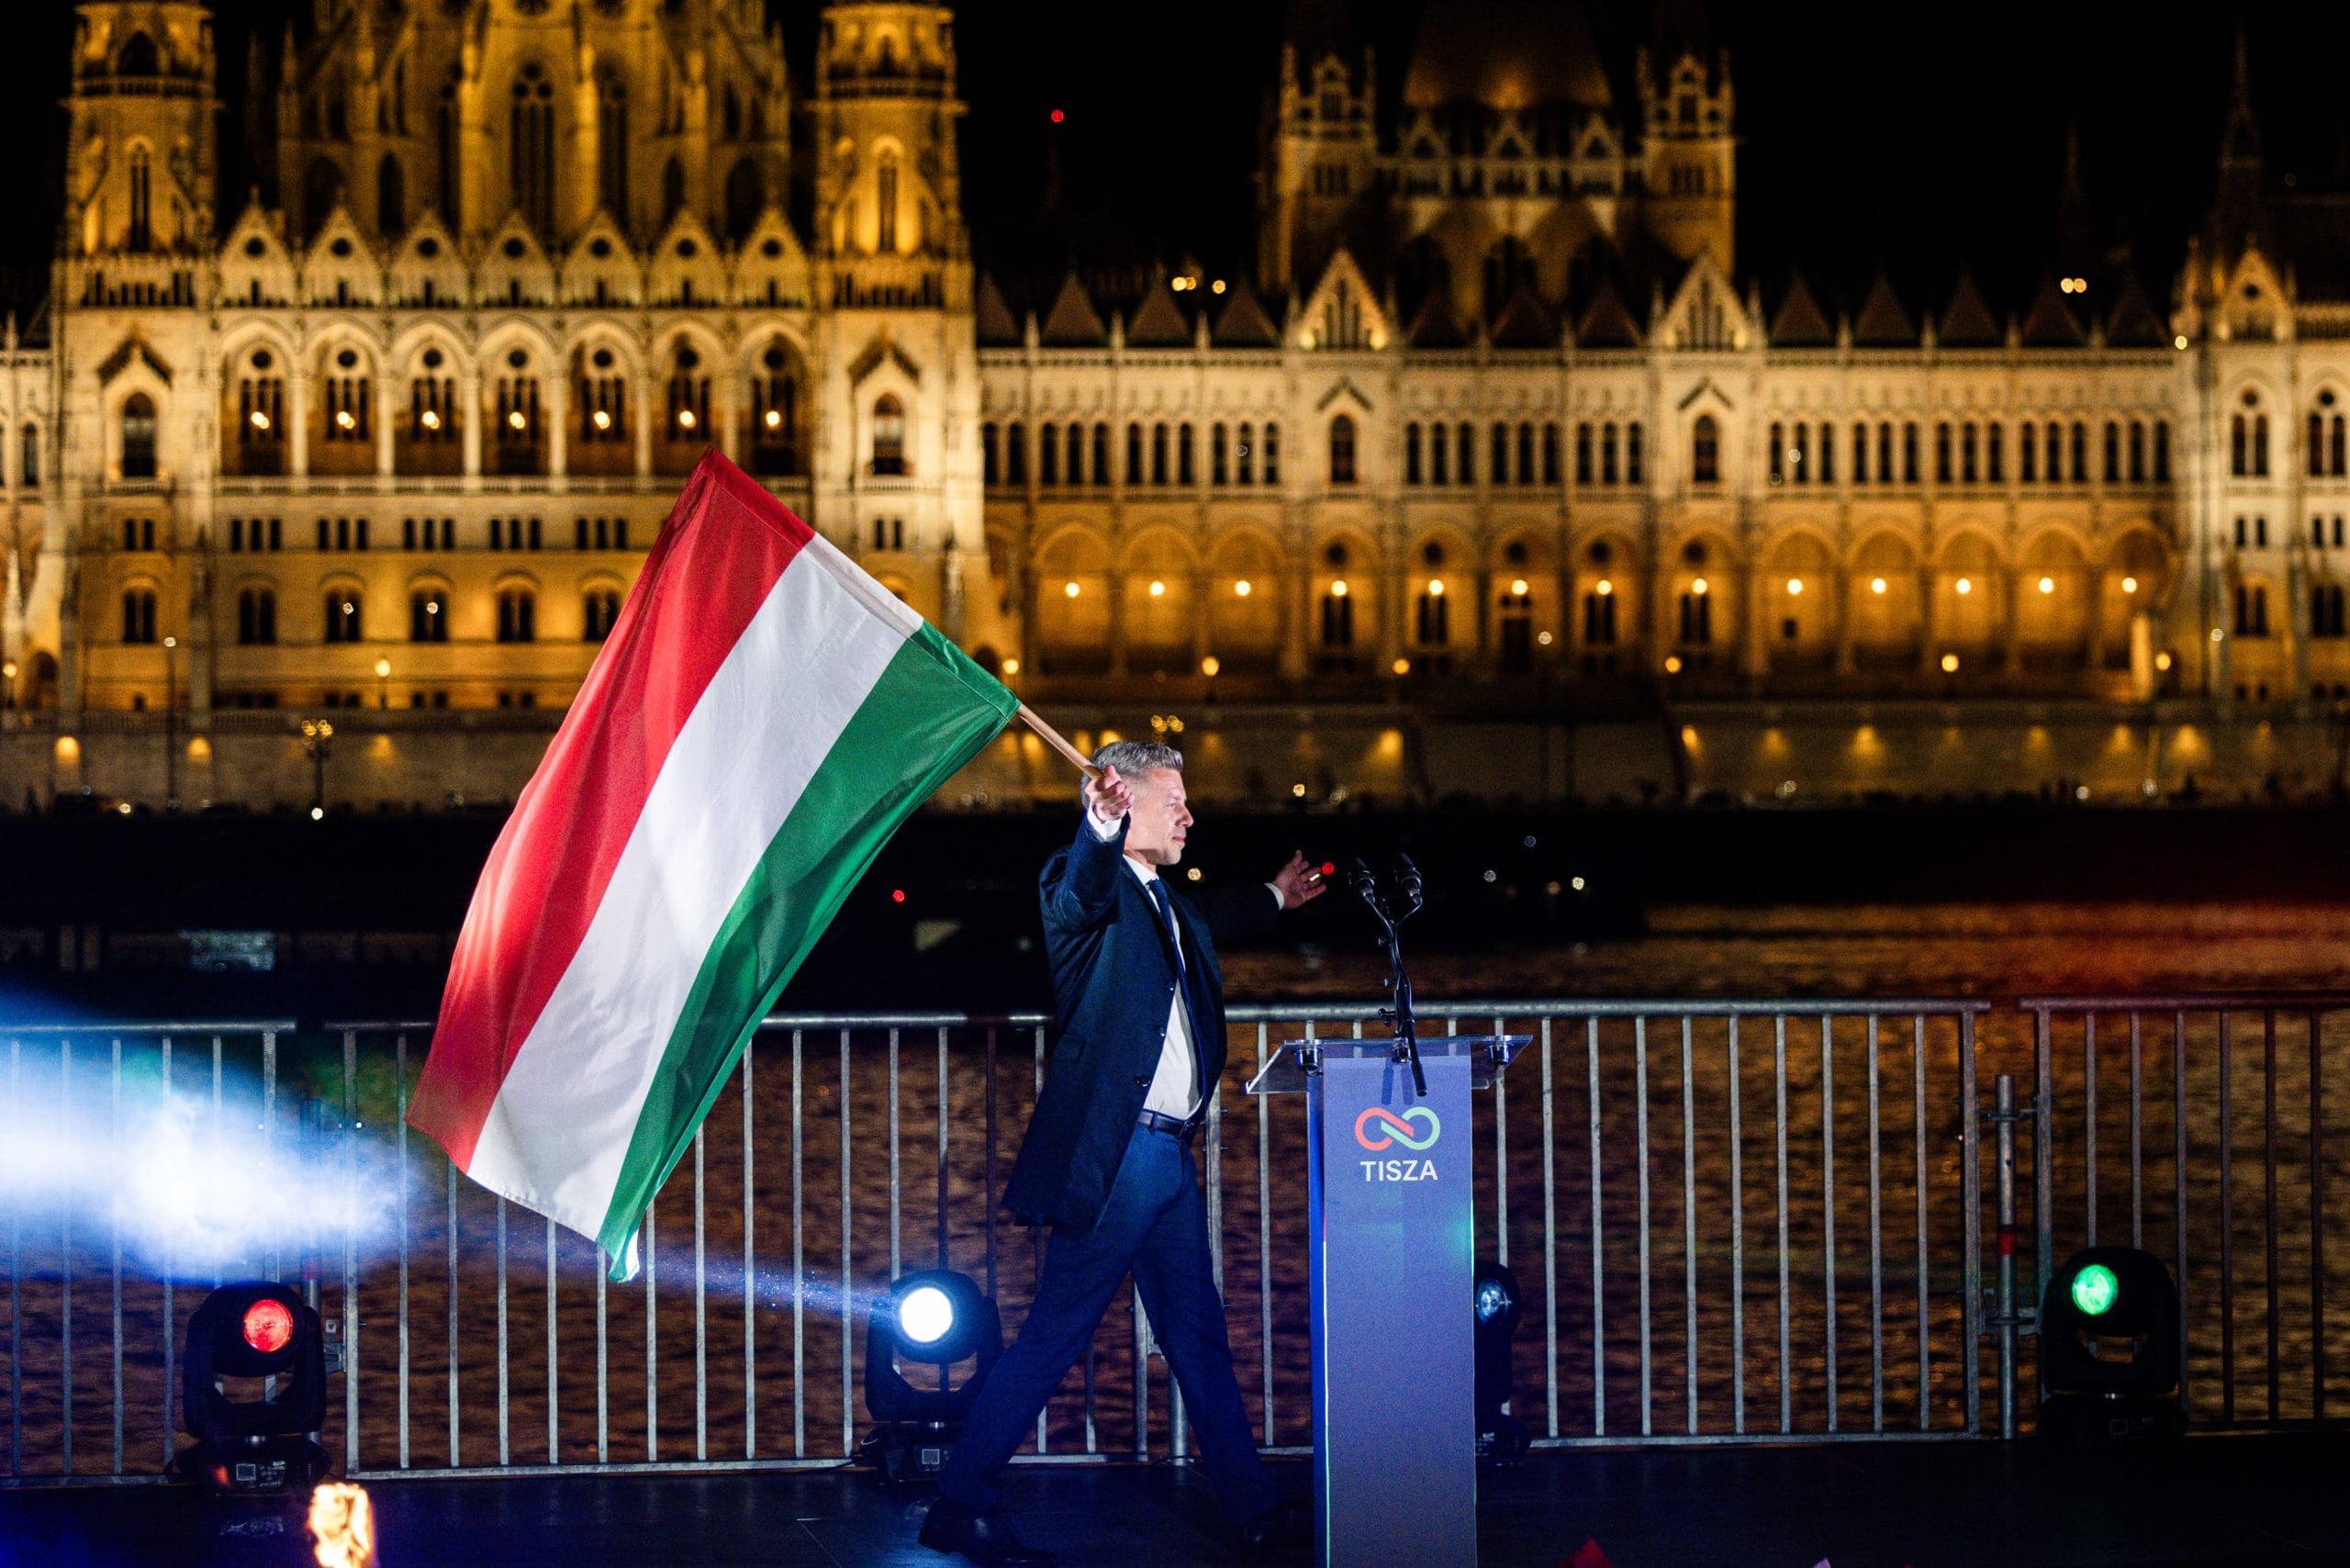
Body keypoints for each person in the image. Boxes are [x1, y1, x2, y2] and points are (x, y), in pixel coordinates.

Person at [921, 740, 1326, 1567]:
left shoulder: (1168, 905)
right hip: (1121, 1159)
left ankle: (1254, 1512)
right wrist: (1097, 825)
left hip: (1169, 1161)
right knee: (1054, 1335)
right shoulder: (1087, 892)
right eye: (1171, 797)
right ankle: (959, 1503)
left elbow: (1217, 923)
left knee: (1196, 1334)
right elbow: (1081, 889)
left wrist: (1276, 899)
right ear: (1123, 802)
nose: (1188, 812)